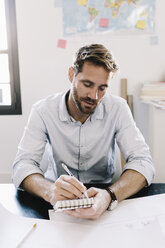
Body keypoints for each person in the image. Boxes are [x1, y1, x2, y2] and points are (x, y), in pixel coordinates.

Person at [12, 44, 155, 220]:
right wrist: (50, 191)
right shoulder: (43, 111)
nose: (94, 96)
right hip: (56, 199)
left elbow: (143, 162)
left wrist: (109, 195)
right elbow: (22, 166)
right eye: (87, 84)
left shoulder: (118, 108)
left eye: (102, 88)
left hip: (103, 193)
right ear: (71, 74)